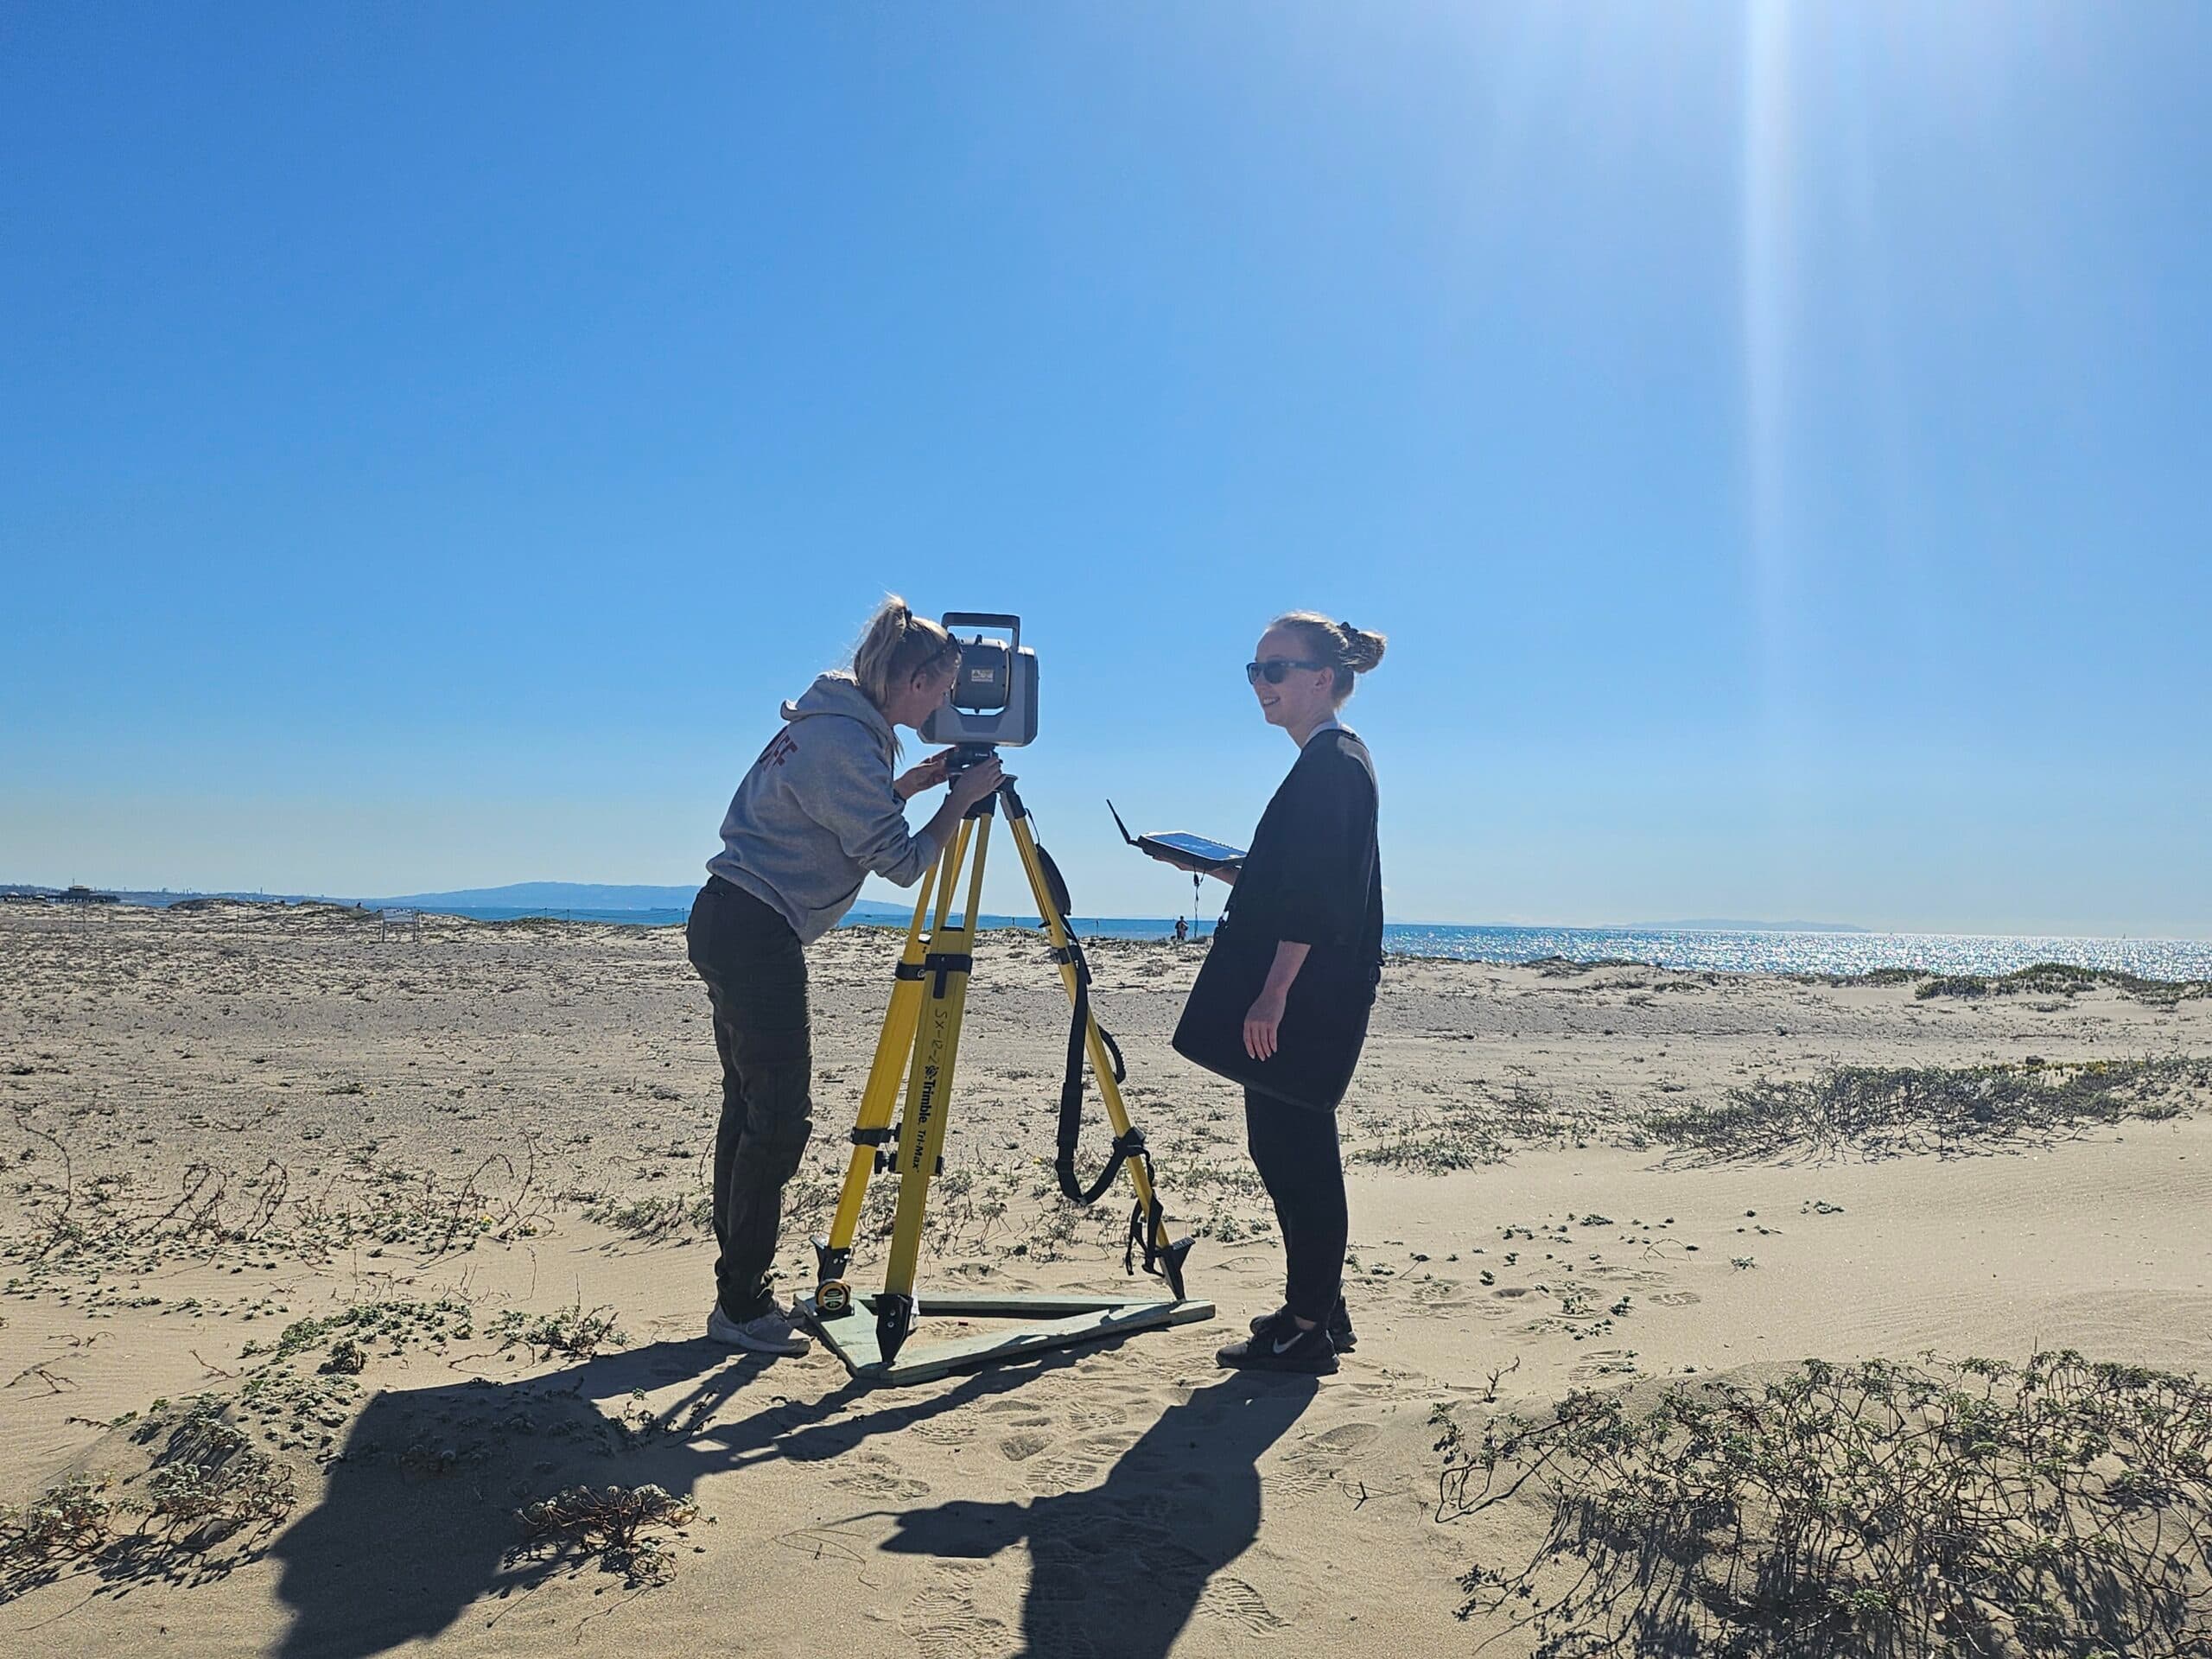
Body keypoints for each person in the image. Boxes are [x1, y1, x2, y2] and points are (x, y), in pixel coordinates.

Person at [686, 598, 1003, 1354]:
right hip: (756, 930)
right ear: (915, 679)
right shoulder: (848, 746)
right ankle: (741, 1304)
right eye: (942, 689)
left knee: (752, 1109)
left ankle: (741, 1287)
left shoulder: (831, 726)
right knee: (778, 1121)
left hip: (729, 916)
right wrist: (960, 801)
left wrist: (913, 787)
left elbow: (829, 815)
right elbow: (899, 863)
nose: (947, 706)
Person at [1198, 613, 1386, 1376]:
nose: (1261, 685)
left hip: (1309, 996)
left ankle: (1308, 1325)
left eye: (1275, 670)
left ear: (1322, 679)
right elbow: (1309, 876)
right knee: (1289, 1149)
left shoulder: (1333, 762)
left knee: (1296, 1154)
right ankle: (1318, 1306)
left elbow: (1317, 901)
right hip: (1313, 988)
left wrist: (1271, 994)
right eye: (1254, 670)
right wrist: (1231, 871)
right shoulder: (1329, 760)